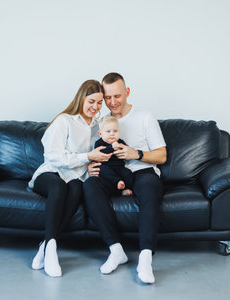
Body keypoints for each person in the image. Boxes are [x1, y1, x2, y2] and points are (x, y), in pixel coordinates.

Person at [83, 72, 167, 284]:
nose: (112, 102)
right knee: (91, 185)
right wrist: (90, 165)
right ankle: (116, 250)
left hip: (142, 171)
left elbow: (162, 155)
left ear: (127, 92)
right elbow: (90, 152)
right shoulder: (99, 123)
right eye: (108, 97)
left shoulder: (145, 117)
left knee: (149, 188)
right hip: (111, 174)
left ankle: (146, 258)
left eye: (117, 96)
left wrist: (135, 154)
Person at [28, 79, 111, 277]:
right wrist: (87, 157)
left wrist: (92, 165)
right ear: (81, 98)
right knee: (59, 188)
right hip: (50, 172)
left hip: (75, 176)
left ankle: (45, 245)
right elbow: (53, 156)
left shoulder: (99, 126)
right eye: (91, 101)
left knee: (75, 188)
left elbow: (97, 156)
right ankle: (52, 252)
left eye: (100, 102)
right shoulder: (64, 121)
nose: (95, 107)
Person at [95, 115, 133, 196]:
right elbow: (100, 154)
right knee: (101, 170)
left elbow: (127, 151)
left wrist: (121, 149)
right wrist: (111, 147)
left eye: (115, 131)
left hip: (119, 167)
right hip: (106, 166)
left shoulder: (120, 142)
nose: (112, 134)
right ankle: (118, 181)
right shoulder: (99, 143)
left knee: (128, 173)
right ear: (100, 134)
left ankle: (124, 189)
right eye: (108, 131)